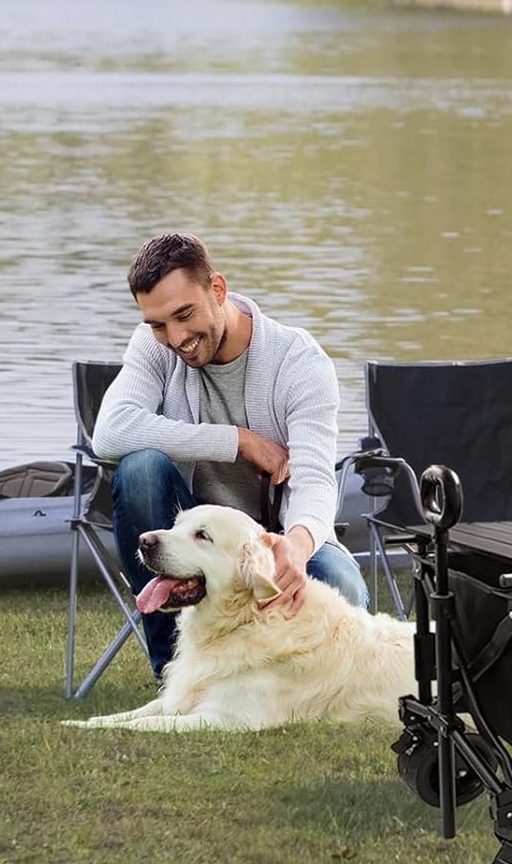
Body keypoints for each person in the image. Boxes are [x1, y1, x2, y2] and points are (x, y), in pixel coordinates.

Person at [94, 231, 367, 678]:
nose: (176, 337)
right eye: (159, 324)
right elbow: (109, 432)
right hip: (193, 541)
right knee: (140, 468)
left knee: (343, 587)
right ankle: (175, 674)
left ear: (217, 289)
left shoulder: (299, 362)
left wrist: (295, 547)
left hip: (276, 536)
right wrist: (236, 440)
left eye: (184, 315)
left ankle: (281, 679)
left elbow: (316, 480)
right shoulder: (153, 346)